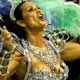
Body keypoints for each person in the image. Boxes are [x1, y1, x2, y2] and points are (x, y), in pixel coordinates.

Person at [0, 1, 80, 80]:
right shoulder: (21, 54)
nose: (39, 11)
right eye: (30, 10)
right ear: (21, 22)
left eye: (38, 8)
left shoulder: (54, 48)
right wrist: (7, 50)